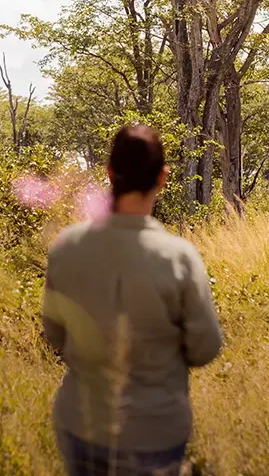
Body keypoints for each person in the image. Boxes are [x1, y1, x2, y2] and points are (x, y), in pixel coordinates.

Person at [42, 124, 223, 476]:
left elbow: (55, 336)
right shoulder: (179, 257)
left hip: (82, 423)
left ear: (109, 172)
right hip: (155, 430)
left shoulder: (66, 248)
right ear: (163, 176)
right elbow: (206, 348)